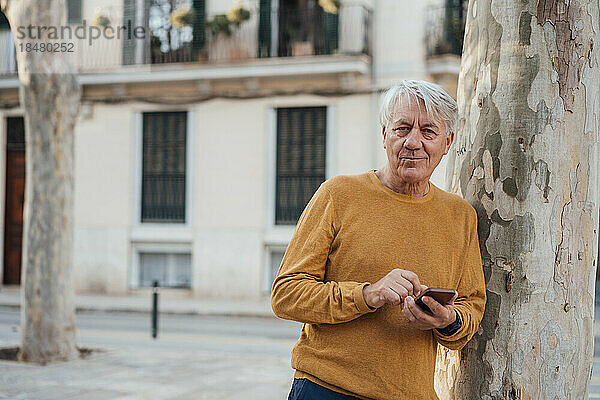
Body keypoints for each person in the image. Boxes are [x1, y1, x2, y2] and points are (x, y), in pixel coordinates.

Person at [270, 80, 486, 400]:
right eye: (402, 128)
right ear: (384, 135)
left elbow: (472, 306)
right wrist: (368, 294)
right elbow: (286, 294)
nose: (413, 142)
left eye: (428, 131)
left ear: (448, 142)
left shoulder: (460, 216)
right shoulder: (339, 194)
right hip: (327, 389)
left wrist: (447, 319)